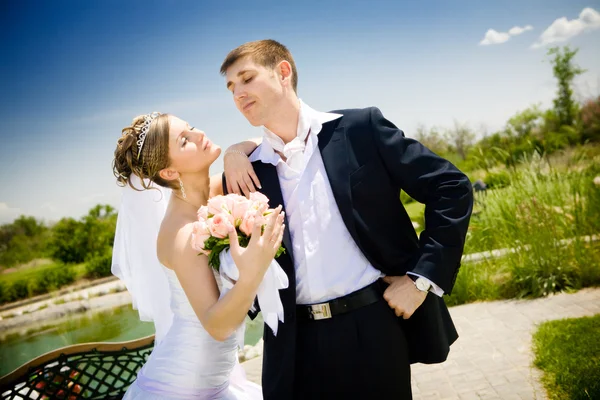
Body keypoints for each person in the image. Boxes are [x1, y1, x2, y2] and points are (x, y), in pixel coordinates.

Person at [220, 40, 474, 399]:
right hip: (293, 342)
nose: (238, 93)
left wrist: (421, 280)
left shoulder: (359, 129)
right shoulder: (249, 170)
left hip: (372, 326)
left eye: (246, 79)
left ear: (283, 72)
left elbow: (451, 187)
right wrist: (233, 151)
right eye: (231, 88)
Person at [111, 112, 285, 399]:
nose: (199, 134)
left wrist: (234, 152)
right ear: (169, 172)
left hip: (217, 379)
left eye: (190, 127)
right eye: (184, 140)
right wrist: (252, 273)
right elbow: (217, 326)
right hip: (182, 387)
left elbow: (266, 141)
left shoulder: (215, 189)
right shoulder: (181, 233)